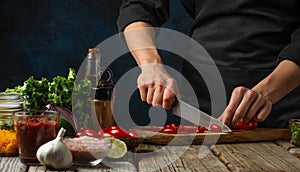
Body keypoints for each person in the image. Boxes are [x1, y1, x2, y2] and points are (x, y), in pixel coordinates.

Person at [117, 0, 300, 128]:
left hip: (286, 96)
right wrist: (151, 65)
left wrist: (268, 92)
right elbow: (138, 6)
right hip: (202, 96)